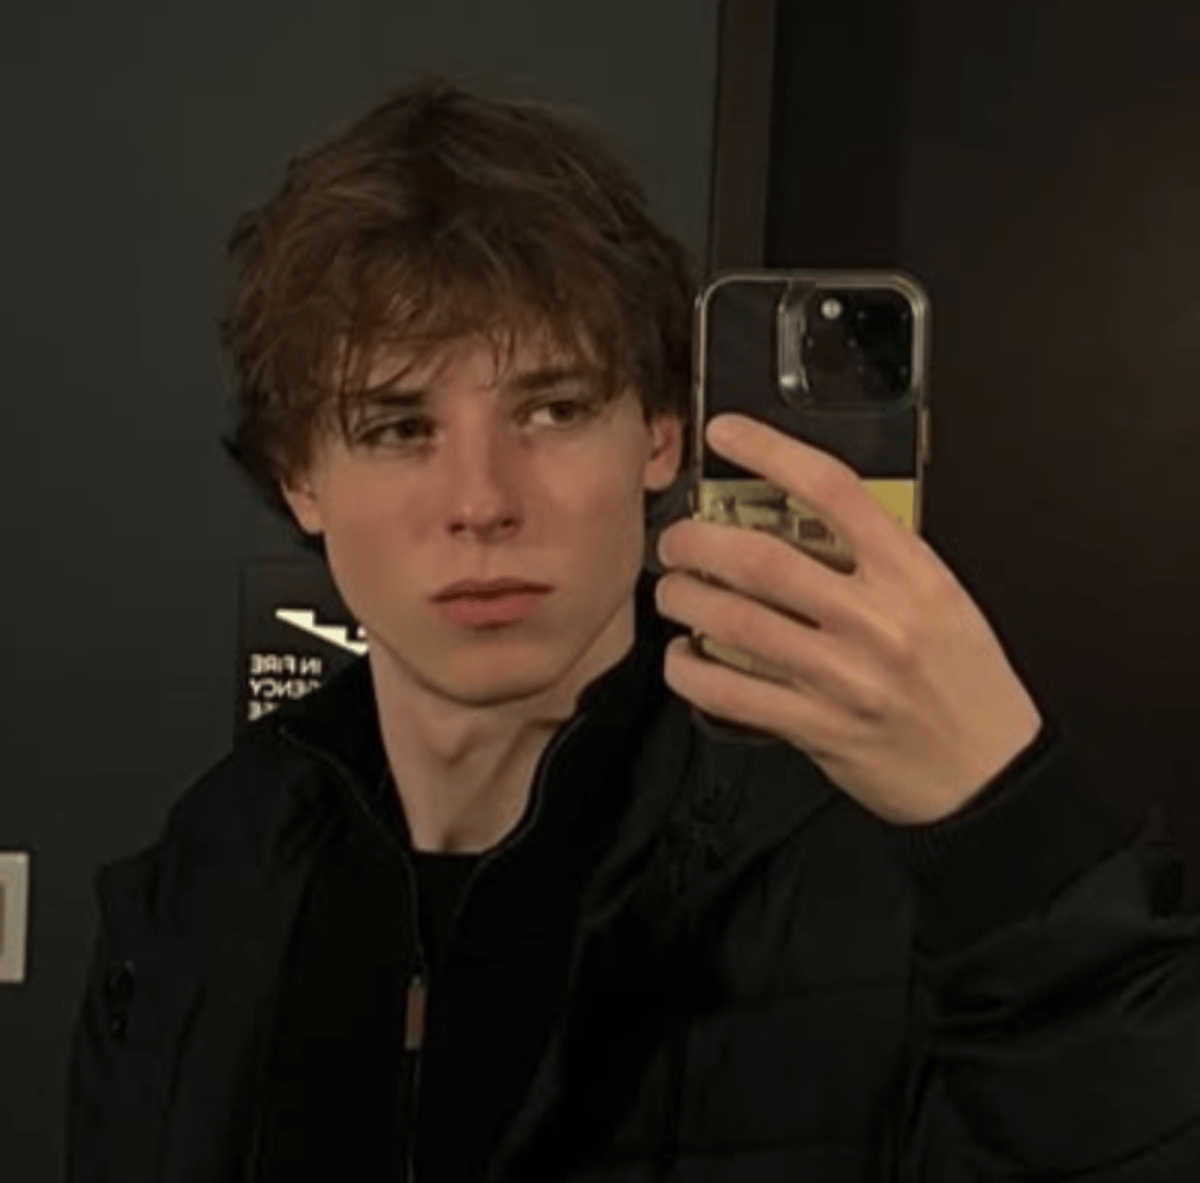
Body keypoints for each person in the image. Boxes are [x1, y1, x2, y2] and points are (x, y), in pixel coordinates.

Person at [67, 80, 1200, 1183]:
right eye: (400, 427)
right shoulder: (206, 869)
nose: (482, 501)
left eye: (554, 408)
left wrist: (1011, 820)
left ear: (661, 435)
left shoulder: (862, 868)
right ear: (300, 478)